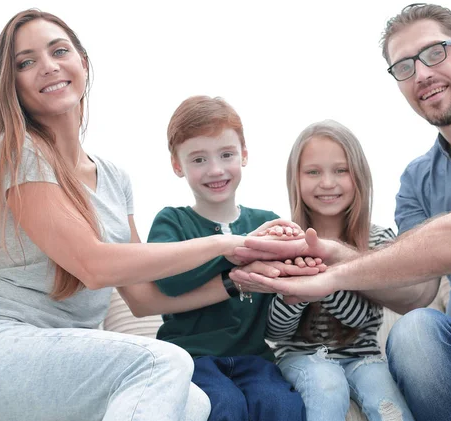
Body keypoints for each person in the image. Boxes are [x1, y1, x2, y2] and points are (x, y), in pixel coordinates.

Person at [230, 3, 451, 421]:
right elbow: (416, 291)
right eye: (404, 66)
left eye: (435, 53)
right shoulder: (416, 180)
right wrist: (332, 257)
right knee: (415, 329)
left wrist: (332, 276)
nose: (422, 74)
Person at [0, 9, 274, 421]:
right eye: (25, 62)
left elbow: (143, 299)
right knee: (164, 362)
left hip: (70, 355)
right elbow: (94, 265)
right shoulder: (17, 152)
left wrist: (236, 281)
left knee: (196, 404)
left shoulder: (114, 178)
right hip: (3, 345)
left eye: (59, 50)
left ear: (82, 63)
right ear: (12, 84)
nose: (47, 66)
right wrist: (229, 242)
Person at [119, 95, 312, 421]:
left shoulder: (265, 220)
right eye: (198, 159)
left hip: (255, 357)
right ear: (177, 165)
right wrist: (236, 250)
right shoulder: (171, 222)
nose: (216, 169)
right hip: (193, 358)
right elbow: (170, 281)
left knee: (282, 406)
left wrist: (295, 266)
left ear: (244, 155)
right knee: (223, 406)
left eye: (226, 154)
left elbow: (278, 298)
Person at [264, 119, 414, 421]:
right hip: (299, 357)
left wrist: (323, 282)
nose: (328, 182)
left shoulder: (379, 241)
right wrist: (298, 295)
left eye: (340, 170)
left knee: (391, 409)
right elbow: (275, 332)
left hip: (364, 357)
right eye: (313, 172)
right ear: (296, 179)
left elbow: (365, 319)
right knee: (326, 384)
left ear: (358, 176)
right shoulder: (283, 241)